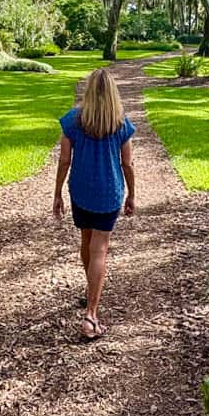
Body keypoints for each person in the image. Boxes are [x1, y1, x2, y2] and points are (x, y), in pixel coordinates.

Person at [53, 67, 136, 340]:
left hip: (80, 191)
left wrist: (57, 194)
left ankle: (90, 294)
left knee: (86, 241)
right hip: (108, 192)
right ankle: (91, 315)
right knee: (99, 248)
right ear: (113, 93)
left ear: (89, 91)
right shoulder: (120, 123)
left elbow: (64, 160)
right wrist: (132, 194)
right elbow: (128, 164)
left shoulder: (74, 120)